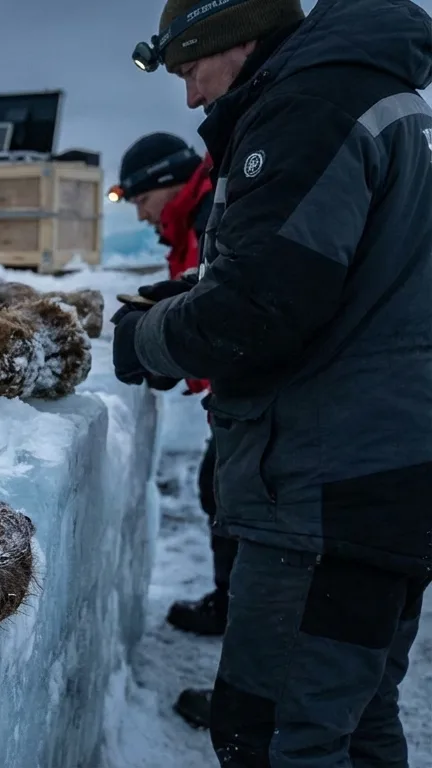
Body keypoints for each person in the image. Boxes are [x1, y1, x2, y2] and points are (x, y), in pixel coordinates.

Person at [117, 0, 432, 763]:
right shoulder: (377, 94)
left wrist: (145, 340)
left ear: (239, 37)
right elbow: (328, 269)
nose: (192, 97)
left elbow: (261, 308)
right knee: (353, 721)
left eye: (192, 70)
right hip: (387, 473)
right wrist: (197, 292)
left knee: (277, 733)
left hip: (327, 488)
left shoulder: (308, 104)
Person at [111, 131, 230, 729]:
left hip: (268, 405)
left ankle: (256, 694)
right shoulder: (196, 215)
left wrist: (163, 347)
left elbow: (237, 306)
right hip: (239, 400)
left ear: (165, 184)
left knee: (239, 505)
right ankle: (229, 606)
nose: (139, 212)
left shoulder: (209, 208)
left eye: (139, 198)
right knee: (222, 490)